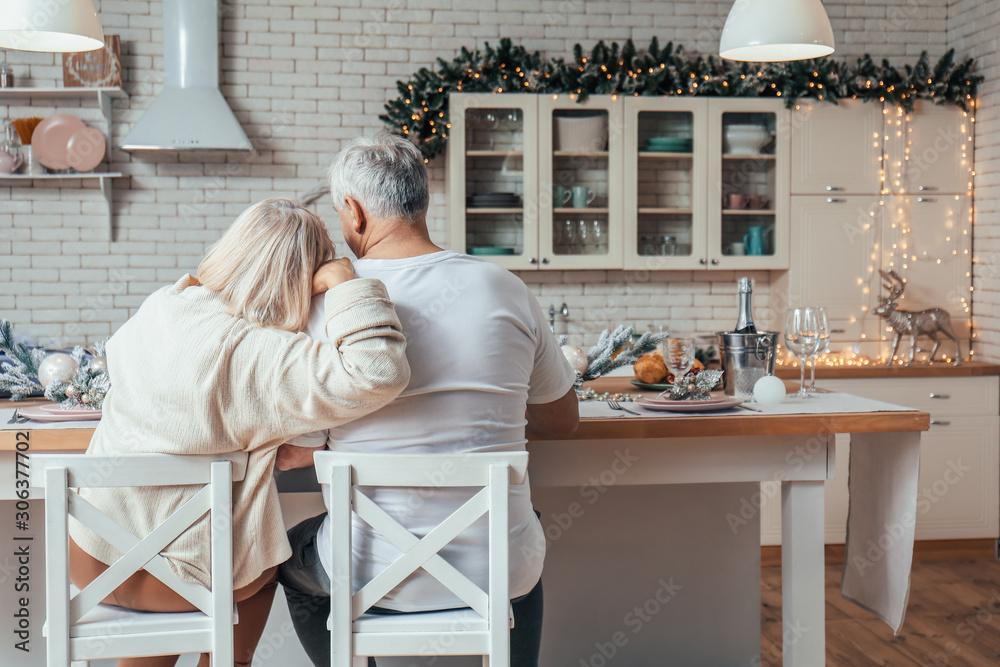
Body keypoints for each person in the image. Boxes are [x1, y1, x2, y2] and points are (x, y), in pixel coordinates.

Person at [276, 133, 580, 667]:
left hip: (366, 570)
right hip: (494, 569)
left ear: (353, 212)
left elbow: (298, 449)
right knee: (518, 541)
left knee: (290, 557)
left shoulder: (328, 308)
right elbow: (562, 420)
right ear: (423, 202)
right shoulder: (504, 286)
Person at [68, 198, 411, 667]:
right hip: (182, 580)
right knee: (263, 563)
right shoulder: (266, 357)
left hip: (90, 558)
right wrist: (344, 284)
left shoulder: (162, 306)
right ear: (303, 281)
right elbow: (379, 371)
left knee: (179, 546)